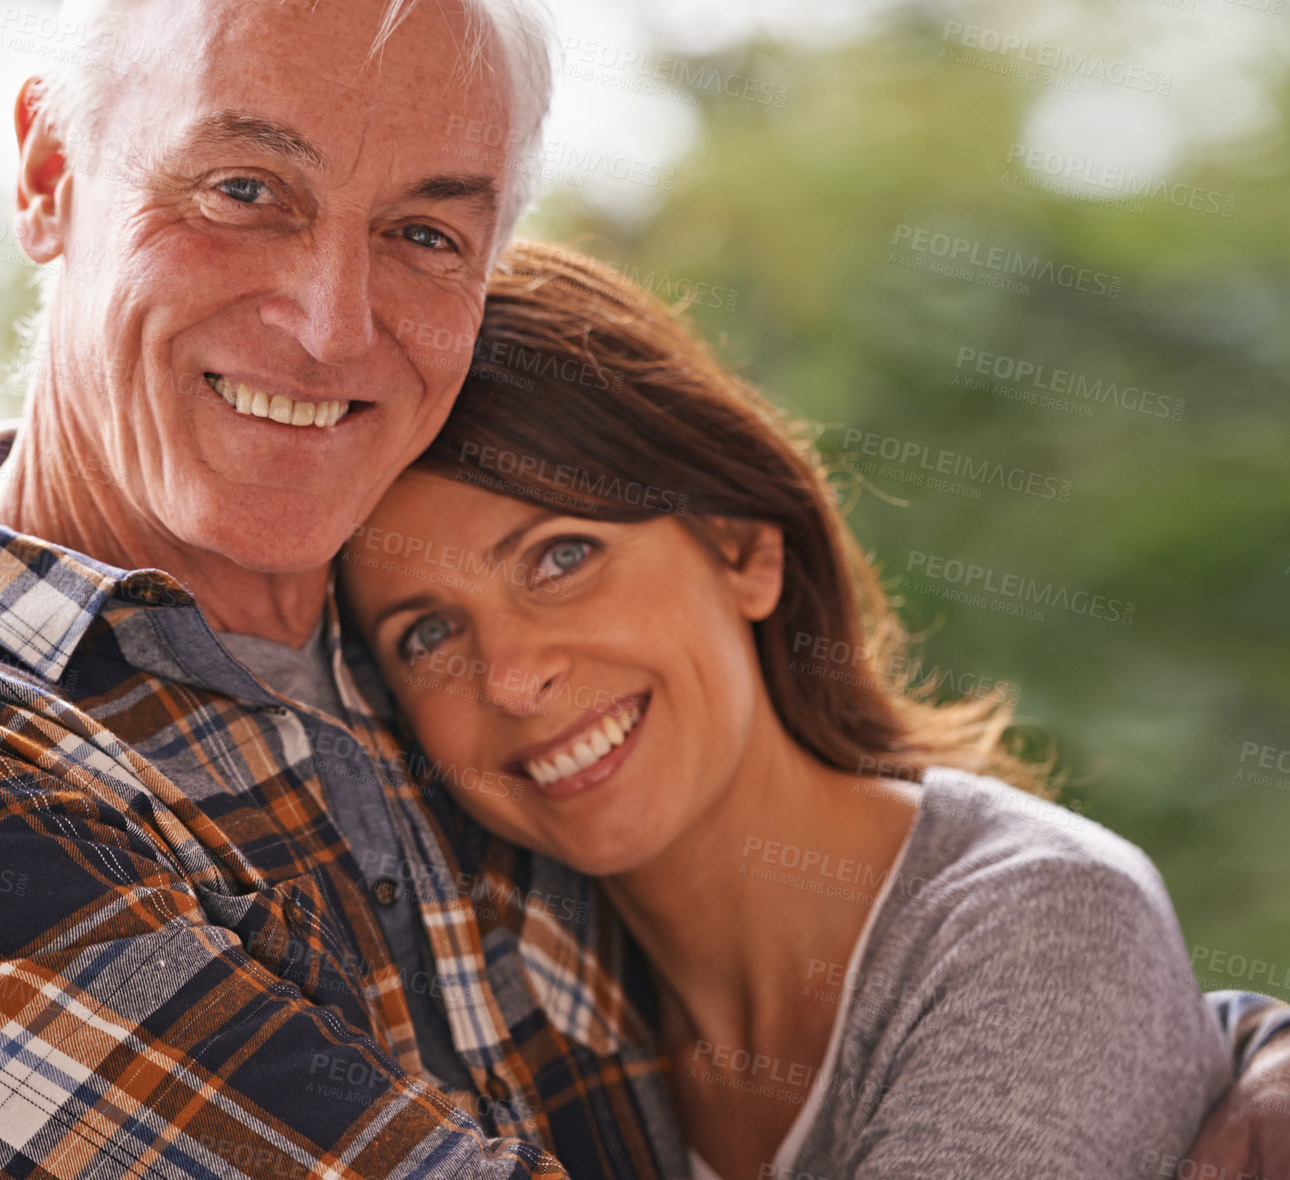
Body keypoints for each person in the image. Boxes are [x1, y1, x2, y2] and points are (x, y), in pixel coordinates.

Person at [0, 0, 1289, 1176]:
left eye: (427, 235)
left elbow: (908, 972)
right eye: (242, 191)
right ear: (46, 173)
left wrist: (1190, 1049)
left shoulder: (393, 667)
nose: (325, 319)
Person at [337, 240, 1273, 1177]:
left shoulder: (1037, 926)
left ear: (741, 548)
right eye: (426, 636)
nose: (510, 676)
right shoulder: (525, 997)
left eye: (561, 556)